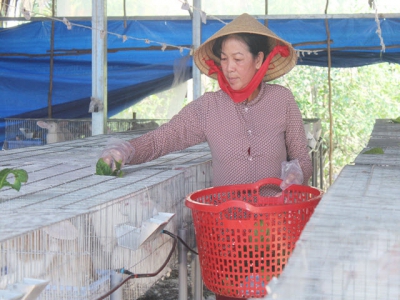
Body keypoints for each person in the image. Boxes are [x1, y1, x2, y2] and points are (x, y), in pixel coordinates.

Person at [100, 13, 312, 299]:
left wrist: (296, 173)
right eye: (224, 59)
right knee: (230, 292)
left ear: (259, 60)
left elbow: (301, 155)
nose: (229, 68)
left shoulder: (282, 100)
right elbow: (165, 137)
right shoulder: (208, 108)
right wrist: (127, 151)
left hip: (271, 228)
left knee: (273, 292)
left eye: (238, 59)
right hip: (226, 231)